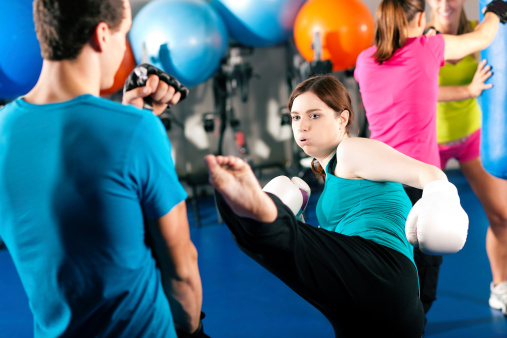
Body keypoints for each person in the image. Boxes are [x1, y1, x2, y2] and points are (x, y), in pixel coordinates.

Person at [204, 74, 468, 337]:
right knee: (279, 237)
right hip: (372, 301)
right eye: (296, 117)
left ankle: (261, 213)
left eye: (314, 115)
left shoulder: (351, 151)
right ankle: (266, 218)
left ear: (342, 119)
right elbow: (325, 257)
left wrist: (440, 196)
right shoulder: (330, 177)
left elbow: (430, 174)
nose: (302, 126)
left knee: (272, 236)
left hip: (381, 271)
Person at [0, 0, 204, 337]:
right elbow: (182, 268)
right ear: (103, 35)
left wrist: (129, 115)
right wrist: (192, 331)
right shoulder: (137, 132)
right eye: (124, 35)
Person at [353, 0, 506, 327]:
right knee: (425, 262)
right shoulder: (427, 48)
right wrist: (495, 9)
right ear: (421, 17)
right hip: (423, 183)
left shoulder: (364, 61)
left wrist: (466, 88)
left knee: (389, 257)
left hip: (379, 179)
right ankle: (414, 322)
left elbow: (415, 85)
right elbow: (482, 38)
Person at [427, 0, 507, 315]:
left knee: (502, 215)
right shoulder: (420, 36)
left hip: (473, 138)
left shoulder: (481, 34)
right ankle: (404, 295)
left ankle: (500, 286)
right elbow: (420, 88)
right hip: (430, 142)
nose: (445, 3)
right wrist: (469, 88)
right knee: (412, 225)